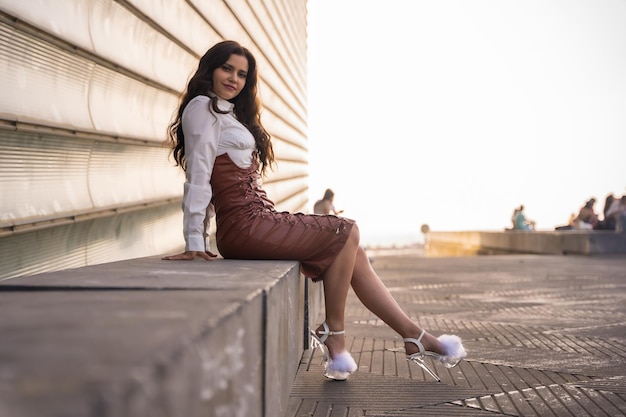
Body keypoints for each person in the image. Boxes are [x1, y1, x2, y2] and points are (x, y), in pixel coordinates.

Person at [161, 40, 465, 382]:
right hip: (246, 226)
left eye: (242, 74)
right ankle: (335, 336)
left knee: (355, 253)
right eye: (226, 68)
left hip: (256, 220)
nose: (234, 78)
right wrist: (194, 242)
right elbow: (199, 175)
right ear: (210, 69)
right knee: (346, 229)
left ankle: (414, 336)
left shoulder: (229, 112)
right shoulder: (203, 107)